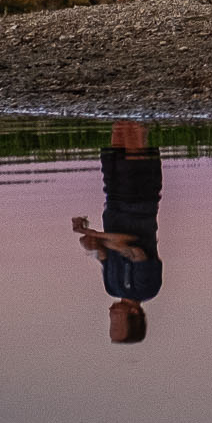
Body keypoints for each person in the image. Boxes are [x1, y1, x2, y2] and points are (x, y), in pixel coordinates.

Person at [70, 120, 163, 344]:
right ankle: (137, 108)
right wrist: (96, 235)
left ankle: (121, 113)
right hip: (139, 204)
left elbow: (103, 254)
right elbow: (131, 247)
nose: (111, 317)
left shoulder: (111, 287)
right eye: (116, 324)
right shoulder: (147, 288)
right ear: (134, 316)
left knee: (115, 148)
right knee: (133, 145)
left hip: (114, 204)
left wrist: (89, 241)